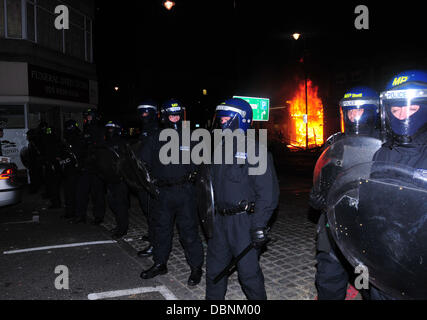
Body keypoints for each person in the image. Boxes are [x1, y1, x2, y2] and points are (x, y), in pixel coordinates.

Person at [309, 87, 381, 300]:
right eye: (349, 111)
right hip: (335, 222)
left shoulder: (386, 146)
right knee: (328, 279)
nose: (353, 116)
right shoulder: (336, 144)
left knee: (369, 284)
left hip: (368, 228)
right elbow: (323, 179)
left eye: (358, 111)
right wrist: (317, 198)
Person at [205, 98, 280, 300]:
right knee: (214, 271)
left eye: (227, 118)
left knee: (248, 275)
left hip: (243, 223)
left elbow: (268, 194)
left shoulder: (256, 150)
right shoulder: (218, 149)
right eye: (220, 119)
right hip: (220, 221)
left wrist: (258, 225)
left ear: (242, 120)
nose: (222, 122)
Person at [368, 70, 427, 299]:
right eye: (395, 109)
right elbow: (372, 203)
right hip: (384, 257)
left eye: (412, 108)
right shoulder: (382, 153)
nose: (402, 115)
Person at [139, 99, 204, 287]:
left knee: (189, 232)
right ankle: (160, 264)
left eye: (177, 113)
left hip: (185, 192)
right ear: (164, 115)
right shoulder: (154, 137)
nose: (174, 116)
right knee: (161, 231)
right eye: (170, 113)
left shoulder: (192, 136)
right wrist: (151, 185)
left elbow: (203, 166)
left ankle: (196, 267)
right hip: (163, 193)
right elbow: (142, 164)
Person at [134, 100, 160, 257]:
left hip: (153, 177)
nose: (143, 116)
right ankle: (152, 234)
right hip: (143, 176)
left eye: (146, 113)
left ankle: (155, 244)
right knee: (147, 210)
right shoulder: (144, 130)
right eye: (141, 113)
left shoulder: (156, 130)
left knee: (154, 212)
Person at [73, 109, 106, 224]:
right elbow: (81, 148)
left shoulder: (100, 130)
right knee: (81, 192)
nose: (87, 118)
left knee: (97, 194)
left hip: (96, 167)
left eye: (89, 116)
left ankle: (98, 217)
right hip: (85, 167)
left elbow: (102, 149)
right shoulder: (86, 130)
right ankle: (80, 216)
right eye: (86, 116)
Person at [101, 120, 130, 239]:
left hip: (120, 179)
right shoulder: (106, 143)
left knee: (120, 205)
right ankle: (119, 225)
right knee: (113, 204)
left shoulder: (122, 143)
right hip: (109, 179)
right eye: (108, 128)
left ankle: (122, 229)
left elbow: (127, 161)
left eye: (112, 128)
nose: (109, 131)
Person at [62, 119, 85, 220]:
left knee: (77, 194)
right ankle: (70, 212)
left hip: (76, 170)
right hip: (68, 170)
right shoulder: (68, 138)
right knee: (68, 192)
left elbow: (79, 154)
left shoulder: (78, 138)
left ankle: (78, 215)